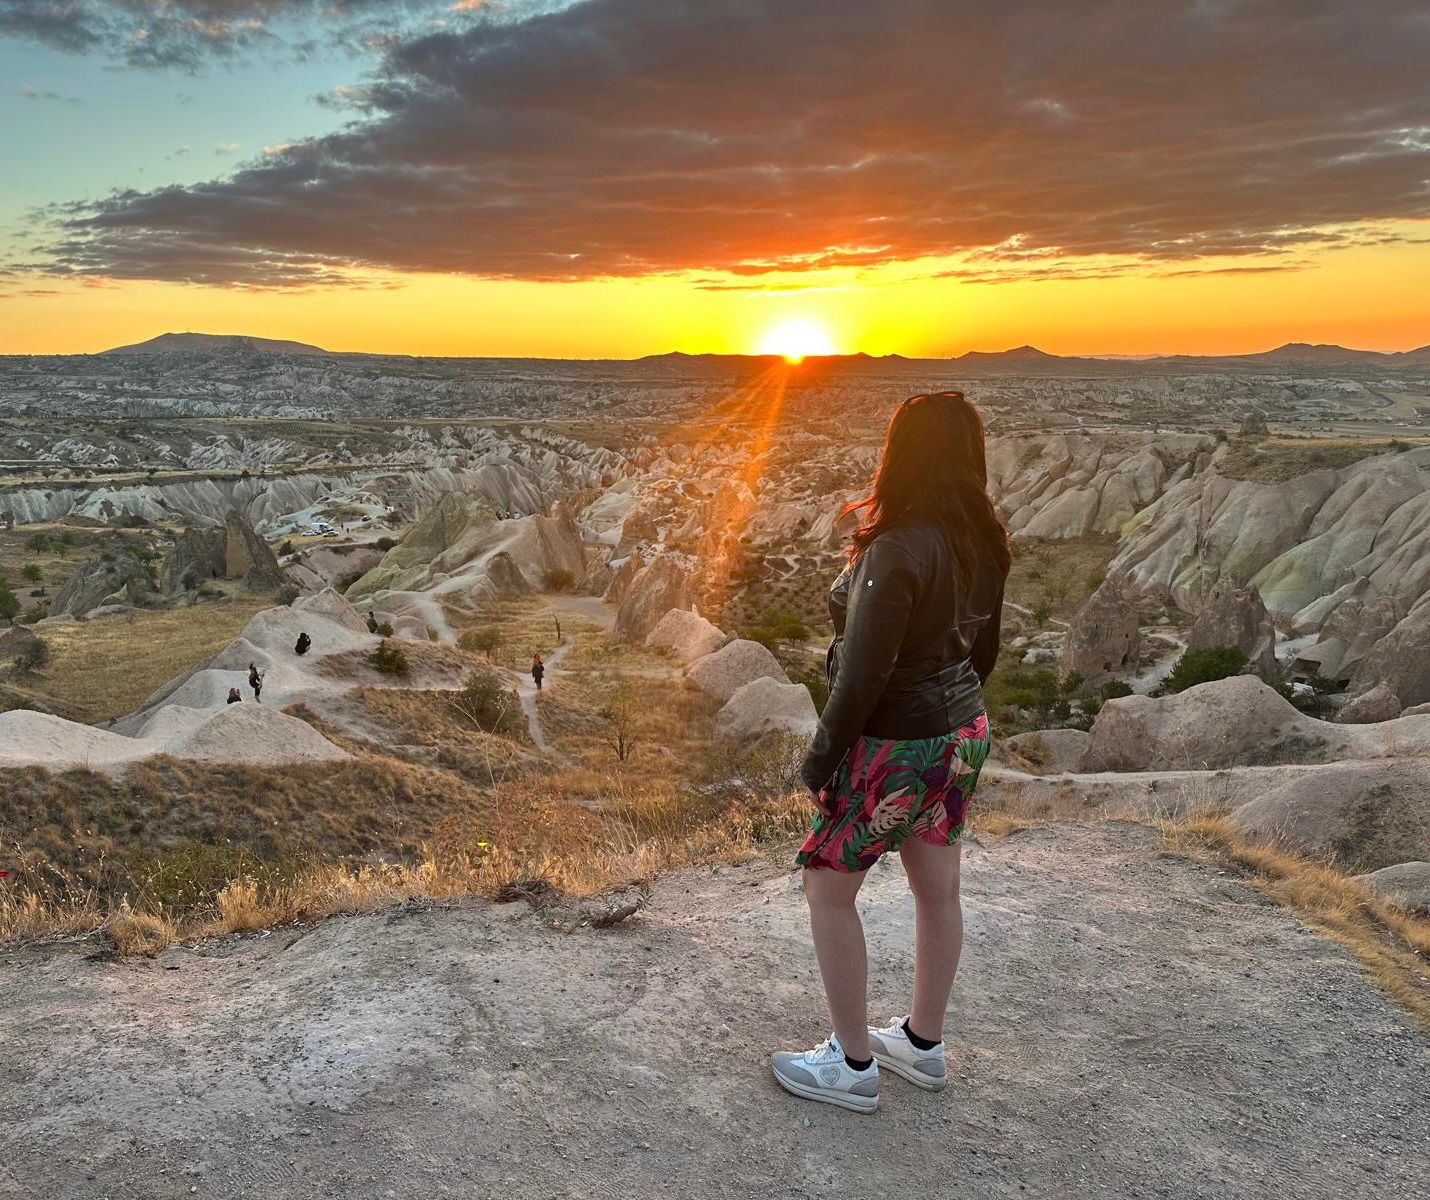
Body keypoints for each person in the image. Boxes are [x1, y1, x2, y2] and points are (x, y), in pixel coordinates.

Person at [770, 392, 1009, 1115]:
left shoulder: (897, 546)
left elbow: (863, 676)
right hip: (962, 731)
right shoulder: (983, 539)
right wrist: (951, 715)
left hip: (897, 741)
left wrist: (821, 761)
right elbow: (985, 650)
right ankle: (922, 1044)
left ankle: (850, 1064)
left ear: (899, 454)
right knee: (939, 890)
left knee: (827, 887)